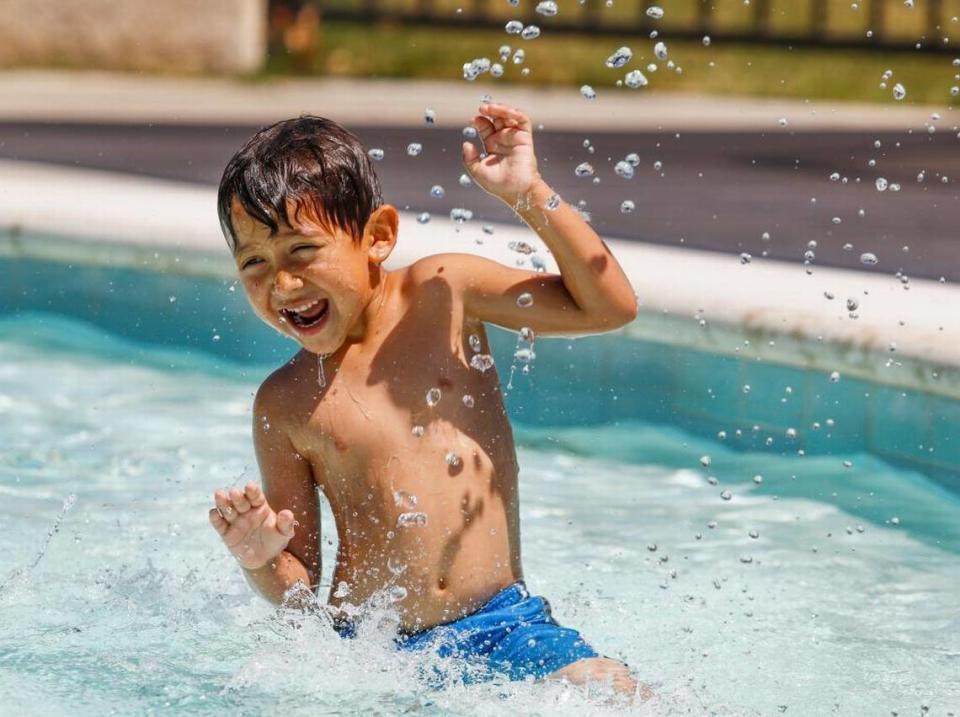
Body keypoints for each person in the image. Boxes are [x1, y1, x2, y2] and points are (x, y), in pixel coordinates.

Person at [208, 102, 647, 699]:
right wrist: (260, 557)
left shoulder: (444, 293)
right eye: (253, 262)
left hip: (504, 627)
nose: (281, 284)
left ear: (378, 237)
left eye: (302, 251)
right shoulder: (284, 404)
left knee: (619, 697)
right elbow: (300, 590)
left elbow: (609, 307)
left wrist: (529, 194)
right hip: (368, 647)